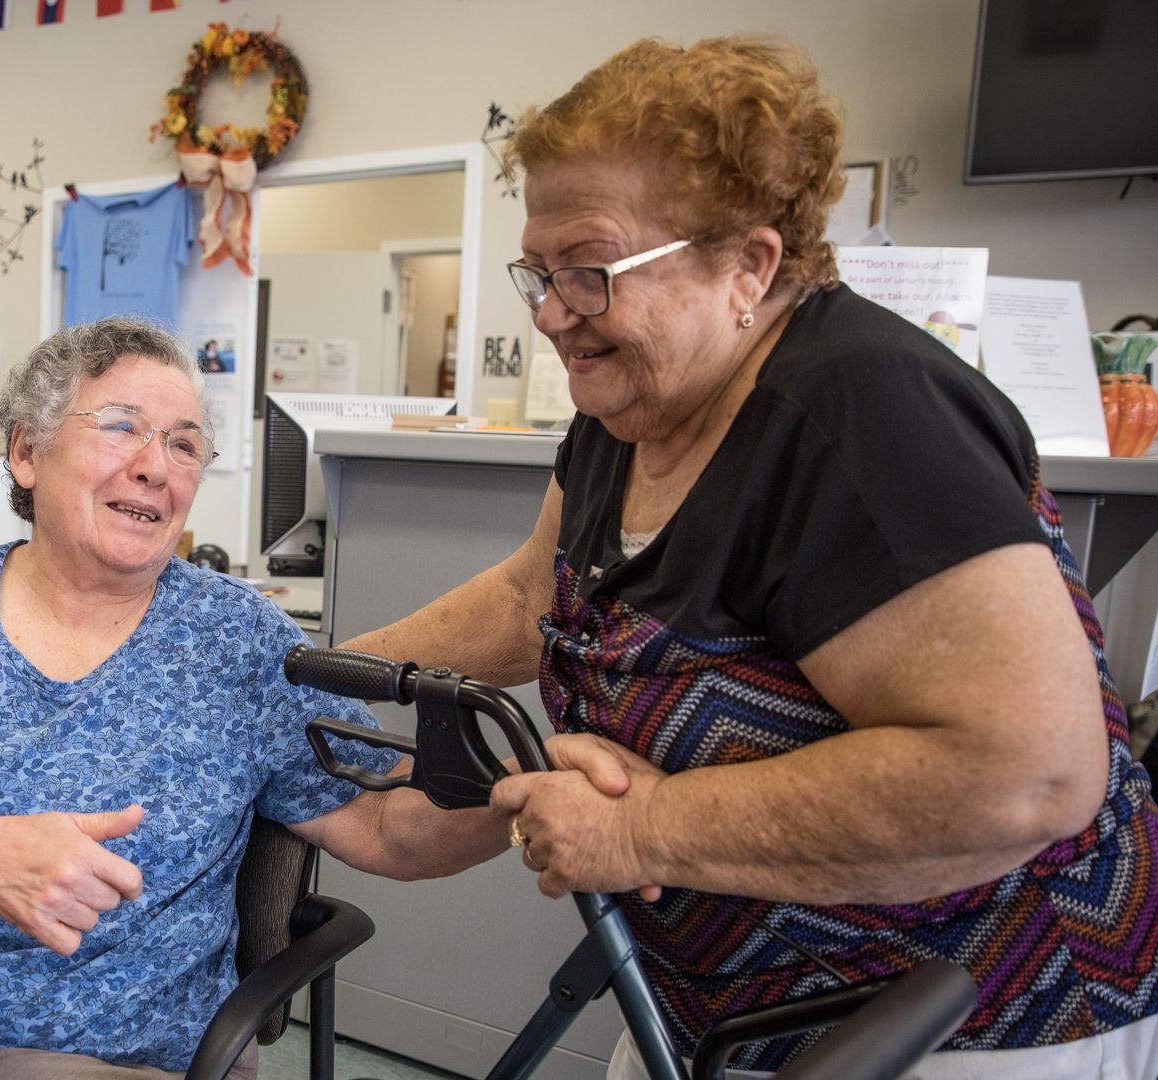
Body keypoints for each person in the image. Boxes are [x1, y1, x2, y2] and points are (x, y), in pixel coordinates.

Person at [341, 36, 1158, 1079]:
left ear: (749, 266)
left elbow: (1028, 776)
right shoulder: (628, 411)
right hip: (729, 1010)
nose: (550, 313)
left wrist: (647, 832)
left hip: (974, 1016)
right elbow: (525, 597)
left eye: (588, 272)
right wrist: (317, 670)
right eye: (539, 273)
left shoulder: (861, 412)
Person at [0, 318, 516, 1078]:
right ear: (27, 452)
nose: (156, 466)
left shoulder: (237, 639)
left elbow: (387, 827)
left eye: (185, 444)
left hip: (87, 1051)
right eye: (122, 427)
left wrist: (520, 795)